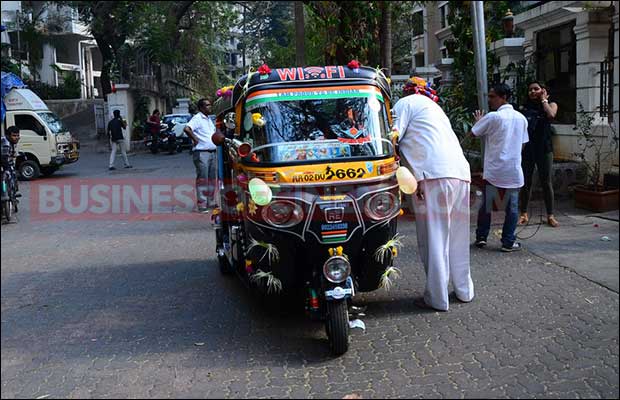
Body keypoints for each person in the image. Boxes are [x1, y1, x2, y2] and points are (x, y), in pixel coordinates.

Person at [394, 77, 474, 312]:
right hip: (460, 173)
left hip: (432, 175)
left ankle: (437, 298)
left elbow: (393, 136)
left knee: (434, 239)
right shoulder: (436, 109)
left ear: (407, 90)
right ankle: (464, 290)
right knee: (457, 238)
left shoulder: (406, 103)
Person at [472, 83, 529, 252]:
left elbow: (474, 132)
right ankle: (508, 241)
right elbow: (523, 144)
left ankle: (481, 237)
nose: (489, 100)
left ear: (503, 97)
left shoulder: (493, 117)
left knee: (487, 205)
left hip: (495, 169)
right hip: (512, 169)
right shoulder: (521, 118)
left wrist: (478, 122)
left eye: (492, 96)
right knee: (511, 208)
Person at [518, 81, 559, 227]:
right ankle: (523, 213)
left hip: (544, 149)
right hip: (528, 149)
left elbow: (551, 115)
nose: (533, 92)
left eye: (536, 89)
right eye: (530, 90)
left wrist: (544, 100)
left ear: (543, 90)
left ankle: (550, 215)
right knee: (526, 182)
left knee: (546, 182)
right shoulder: (524, 108)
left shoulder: (551, 105)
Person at [184, 98, 216, 213]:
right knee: (203, 179)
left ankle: (210, 201)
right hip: (202, 153)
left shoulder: (208, 119)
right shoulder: (197, 118)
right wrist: (195, 139)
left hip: (212, 152)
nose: (209, 107)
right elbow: (187, 129)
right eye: (207, 105)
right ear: (201, 108)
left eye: (210, 105)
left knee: (212, 179)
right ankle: (202, 204)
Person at [1, 126, 21, 200]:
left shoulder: (11, 142)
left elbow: (11, 153)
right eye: (14, 135)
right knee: (8, 172)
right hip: (3, 161)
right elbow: (4, 157)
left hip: (5, 160)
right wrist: (6, 167)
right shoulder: (5, 142)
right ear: (8, 135)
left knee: (13, 172)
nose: (16, 137)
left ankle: (14, 190)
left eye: (18, 135)